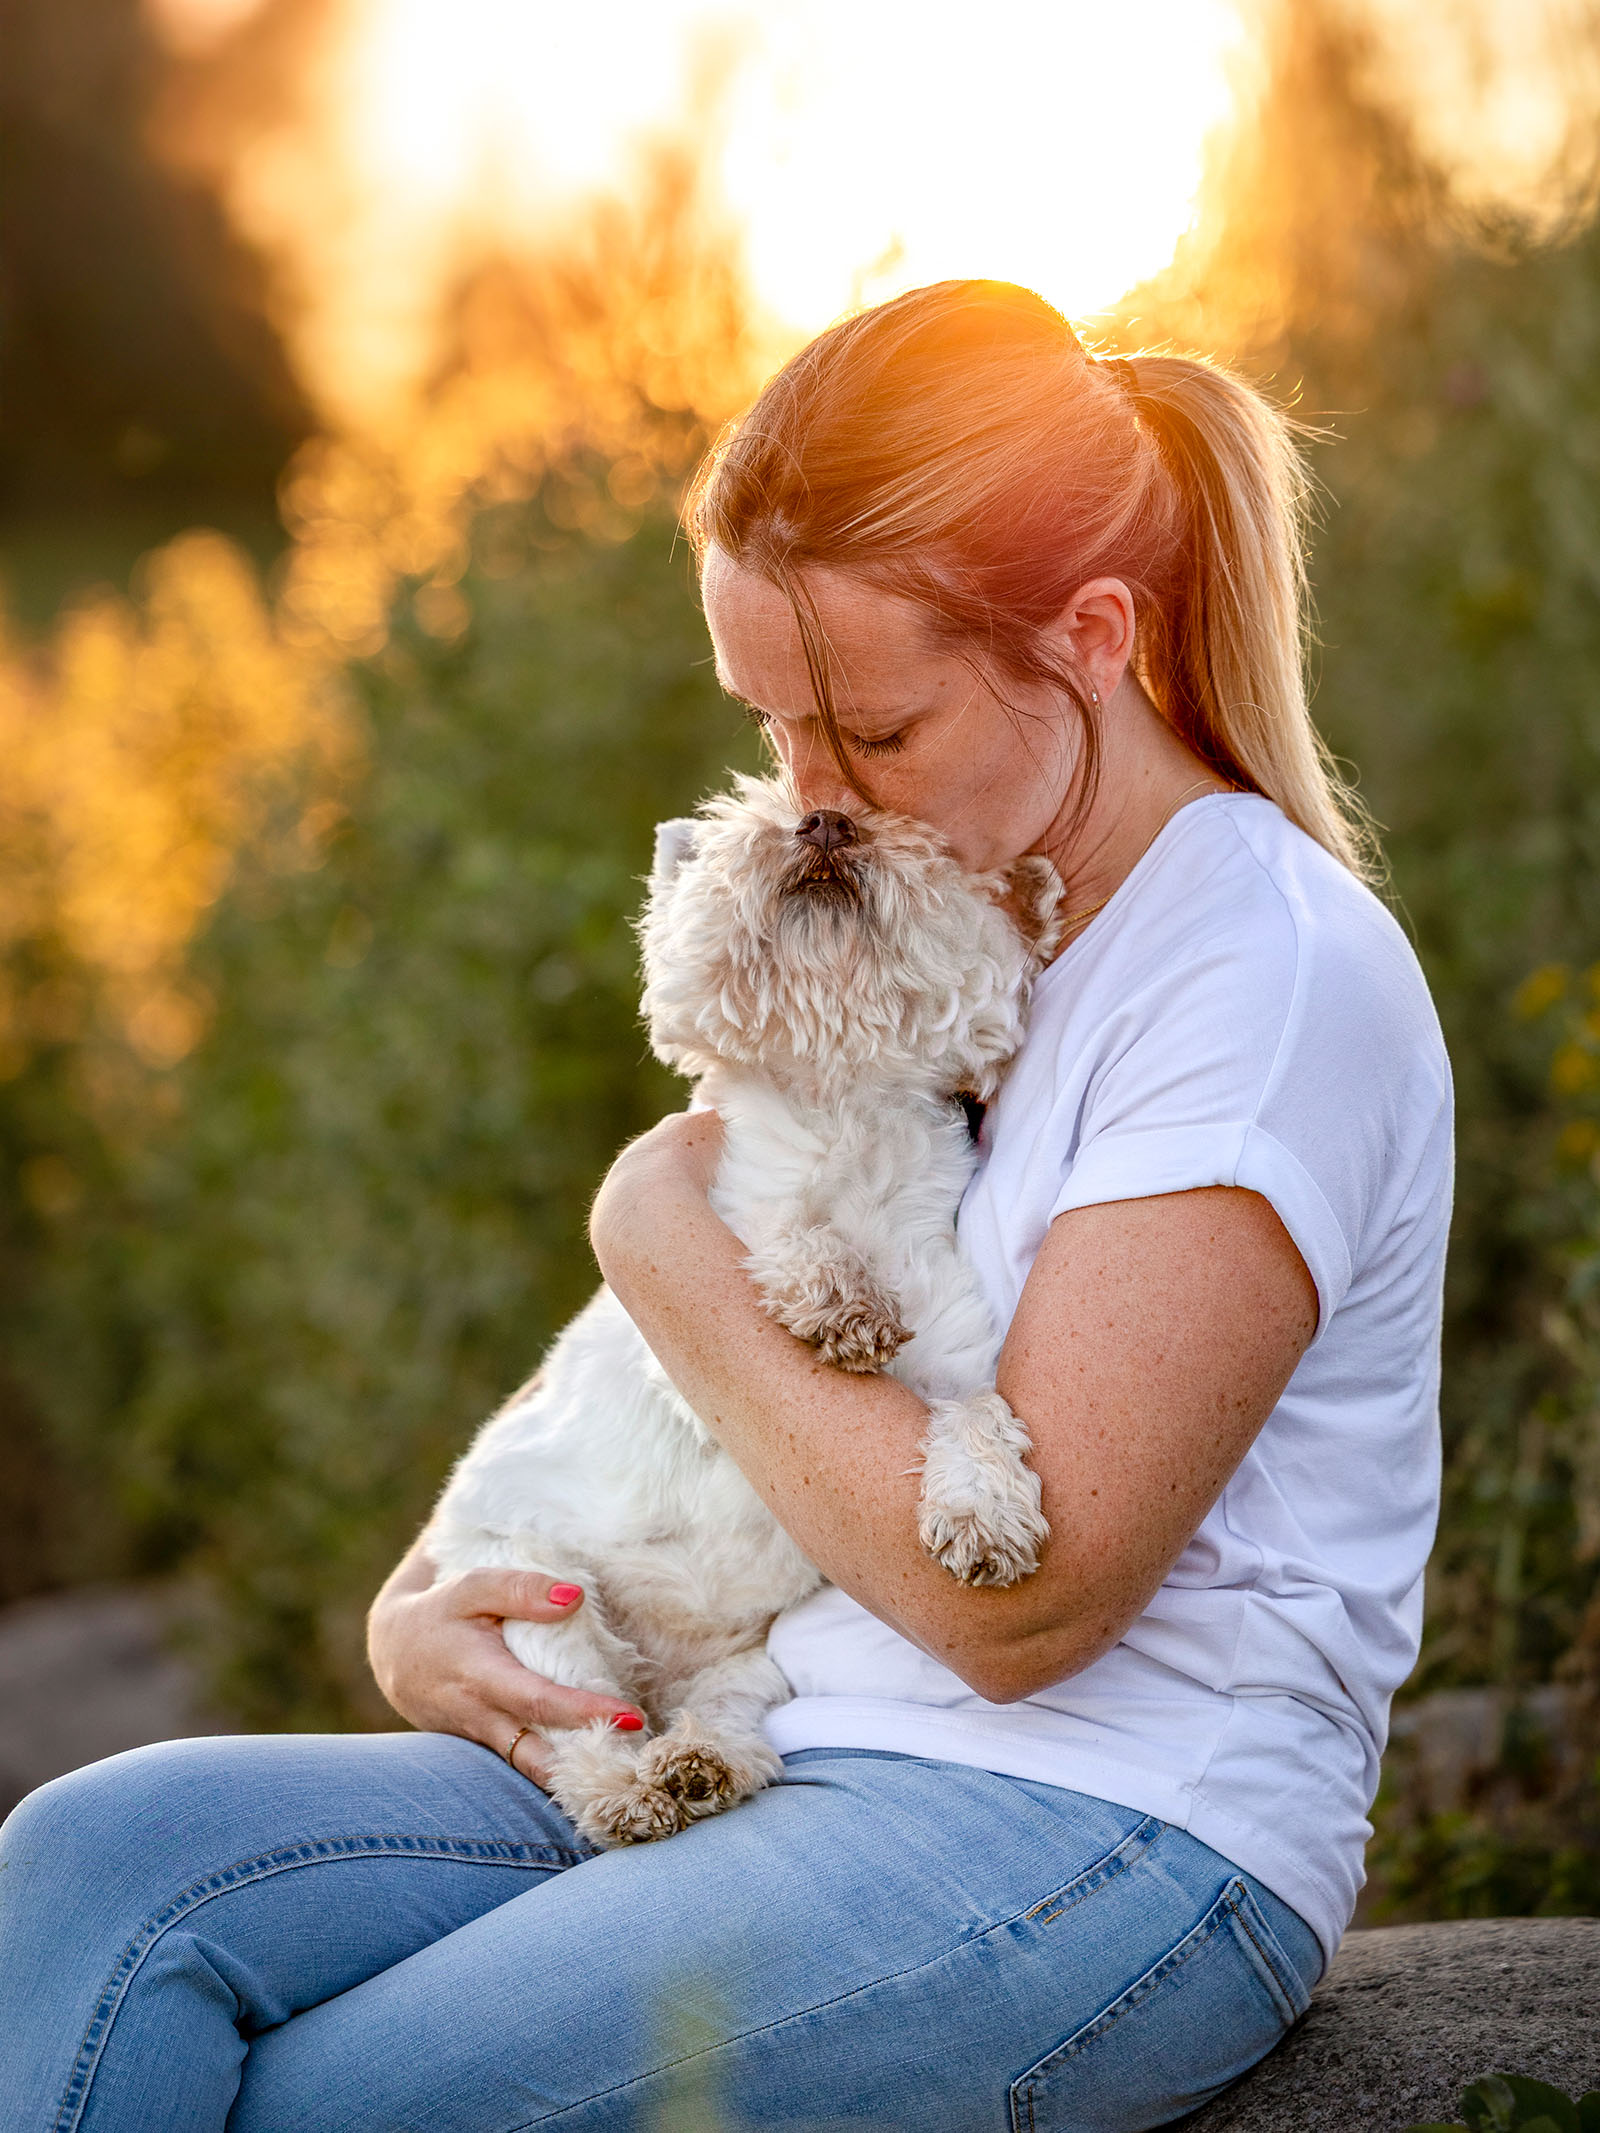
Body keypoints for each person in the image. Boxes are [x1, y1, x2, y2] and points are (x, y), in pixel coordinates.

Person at [0, 280, 1451, 2133]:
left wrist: (655, 1237)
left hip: (1106, 1815)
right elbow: (670, 1397)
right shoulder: (947, 908)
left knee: (318, 2104)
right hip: (774, 1720)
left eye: (878, 729)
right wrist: (434, 1611)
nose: (812, 797)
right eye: (776, 729)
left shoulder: (1260, 975)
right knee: (94, 1867)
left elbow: (1024, 1605)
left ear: (1093, 636)